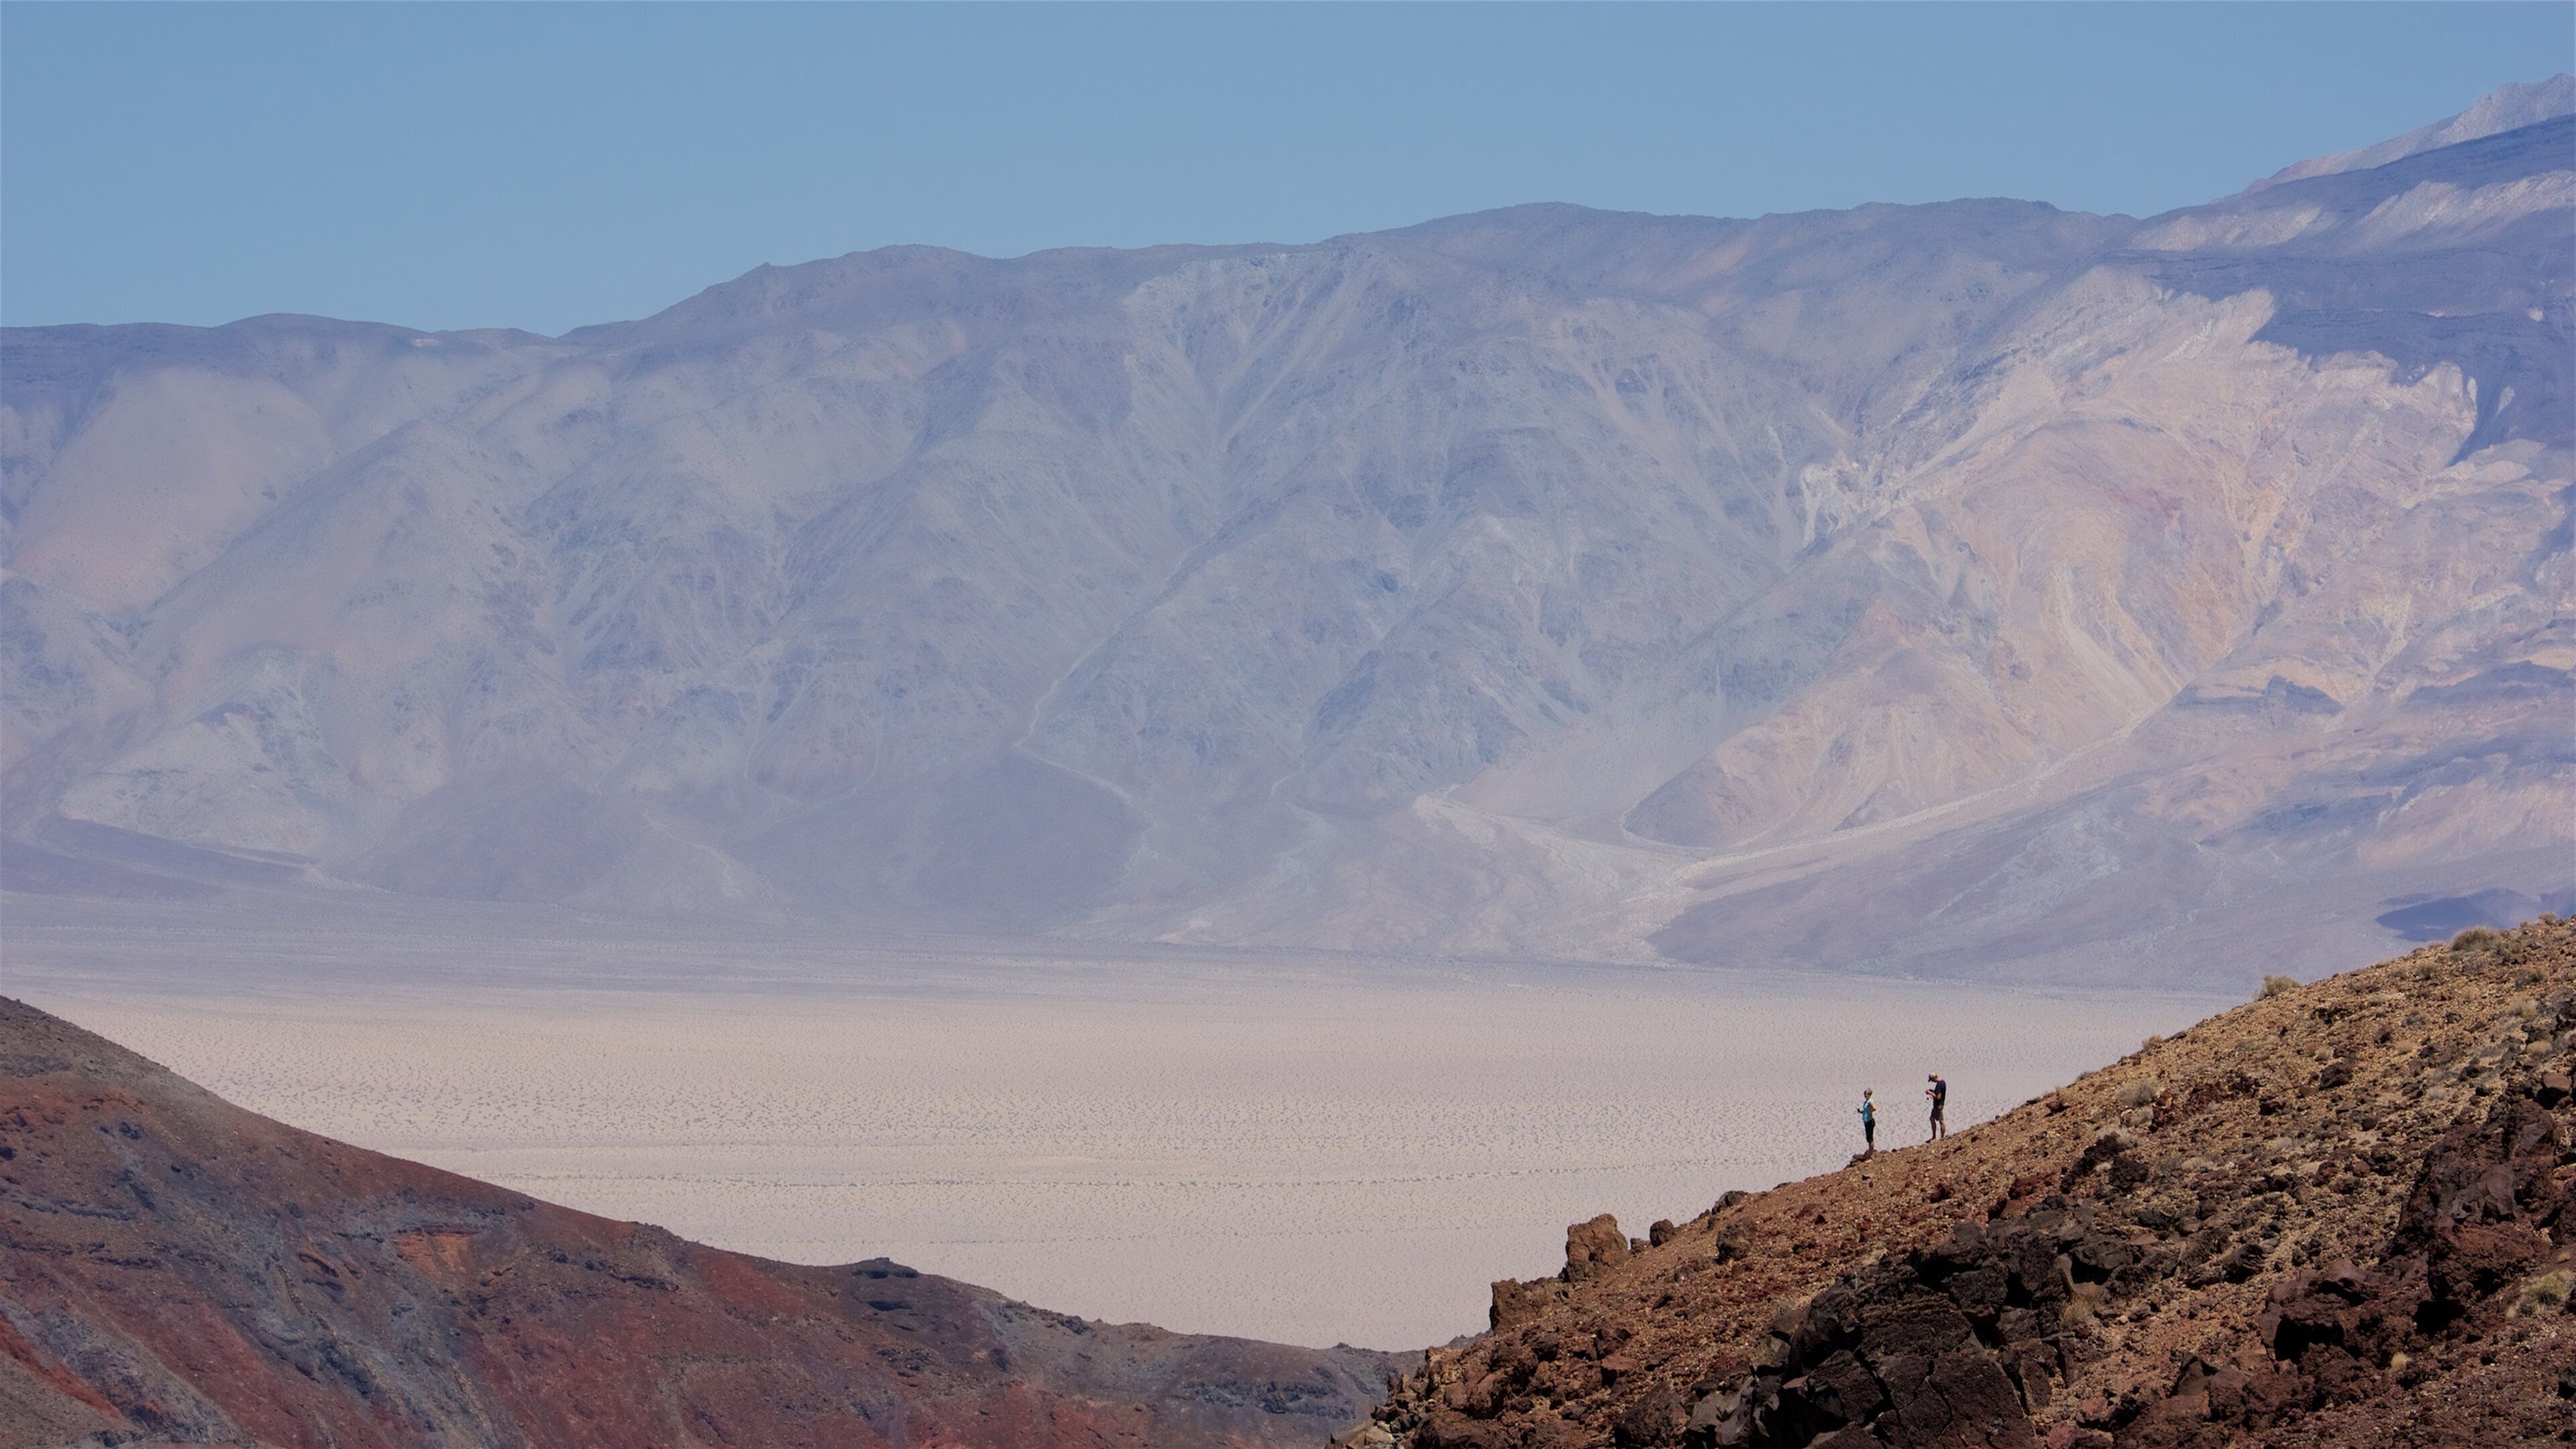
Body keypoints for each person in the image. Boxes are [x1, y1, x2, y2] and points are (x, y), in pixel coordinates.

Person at [1925, 1073, 1947, 1140]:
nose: (1932, 1082)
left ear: (1934, 1078)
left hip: (1939, 1105)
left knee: (1941, 1121)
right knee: (1932, 1118)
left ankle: (1942, 1137)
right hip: (1937, 1105)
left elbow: (1938, 1097)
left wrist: (1930, 1093)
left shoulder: (1939, 1085)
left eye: (1932, 1080)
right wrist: (1933, 1091)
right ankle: (1934, 1137)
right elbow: (1938, 1093)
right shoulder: (1943, 1082)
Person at [1857, 1089, 1876, 1155]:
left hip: (1870, 1121)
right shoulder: (1867, 1101)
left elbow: (1874, 1108)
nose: (1865, 1095)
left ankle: (1871, 1153)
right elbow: (1866, 1111)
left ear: (1870, 1094)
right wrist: (1861, 1112)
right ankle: (1870, 1151)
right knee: (1868, 1138)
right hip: (1866, 1121)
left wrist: (1870, 1112)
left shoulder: (1870, 1101)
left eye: (1866, 1094)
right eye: (1864, 1094)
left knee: (1870, 1138)